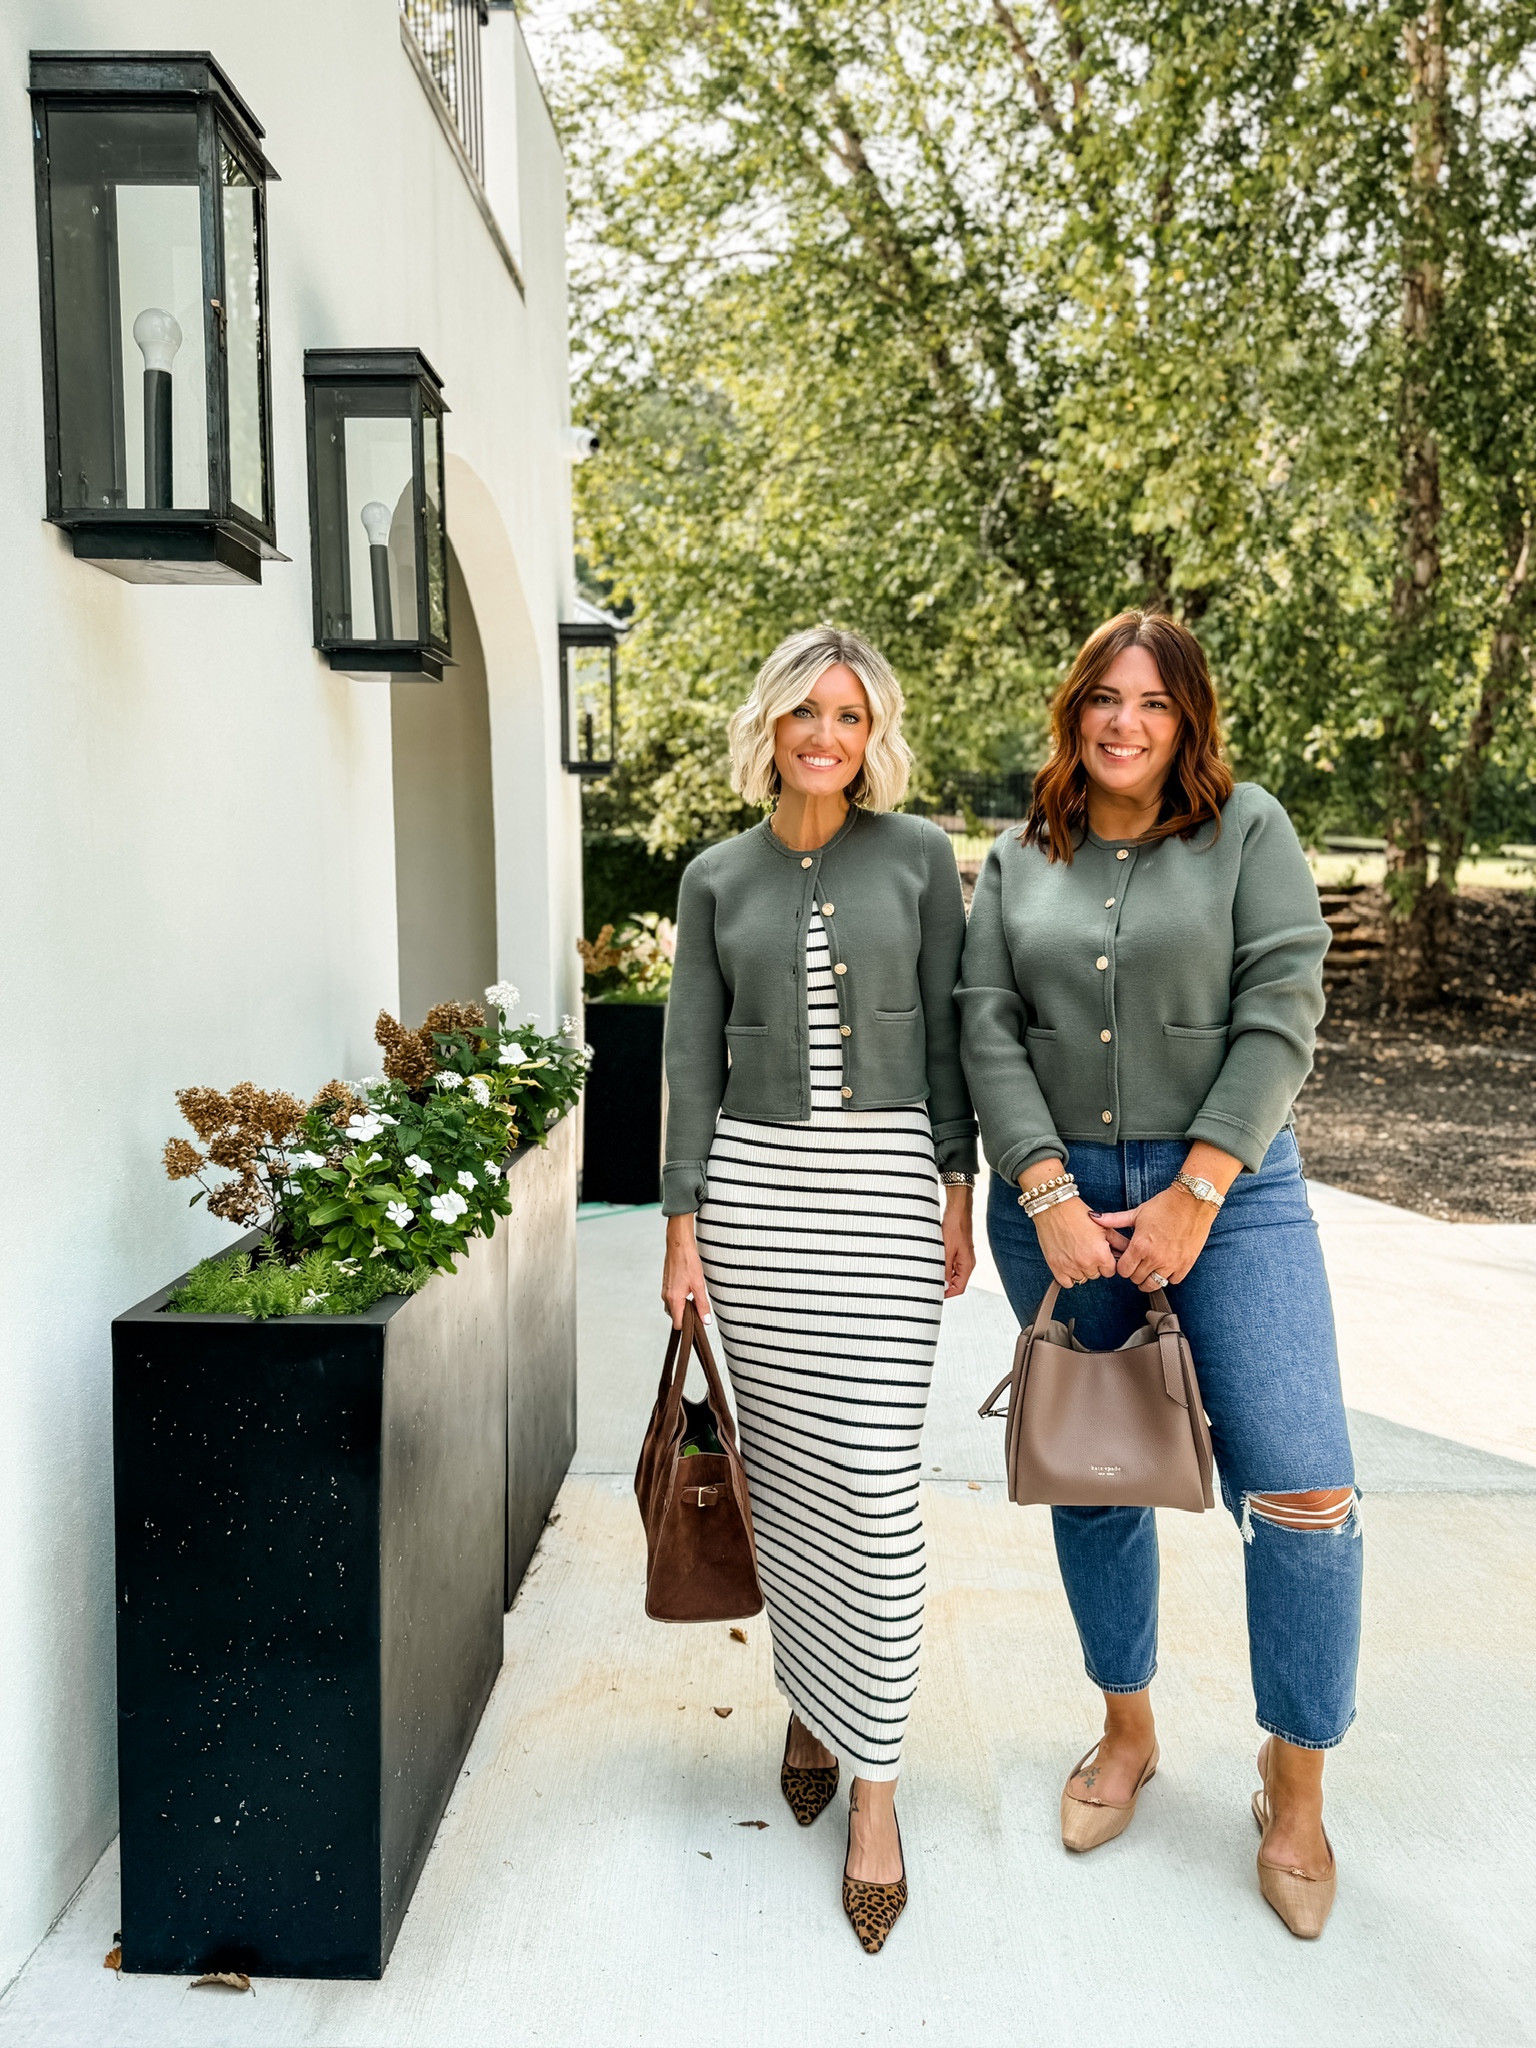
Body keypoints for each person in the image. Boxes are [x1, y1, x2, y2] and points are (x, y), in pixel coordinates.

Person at [959, 609, 1359, 1940]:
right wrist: (1045, 1189)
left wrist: (1197, 1189)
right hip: (1056, 1205)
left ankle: (1293, 1786)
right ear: (1074, 711)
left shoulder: (1252, 831)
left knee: (1304, 1488)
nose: (1125, 724)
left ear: (1188, 721)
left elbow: (1283, 1005)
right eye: (1103, 700)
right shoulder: (1019, 861)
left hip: (1231, 1199)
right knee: (1100, 1470)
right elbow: (987, 1028)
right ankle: (1125, 1732)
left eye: (1154, 704)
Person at [660, 624, 977, 1953]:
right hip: (757, 1199)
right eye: (807, 714)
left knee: (873, 1484)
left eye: (850, 717)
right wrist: (682, 1227)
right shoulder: (714, 877)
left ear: (873, 735)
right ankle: (811, 1694)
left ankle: (878, 1789)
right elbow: (685, 1058)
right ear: (772, 726)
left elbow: (958, 1031)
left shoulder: (915, 860)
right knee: (783, 1475)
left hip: (886, 1190)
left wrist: (957, 1185)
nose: (828, 737)